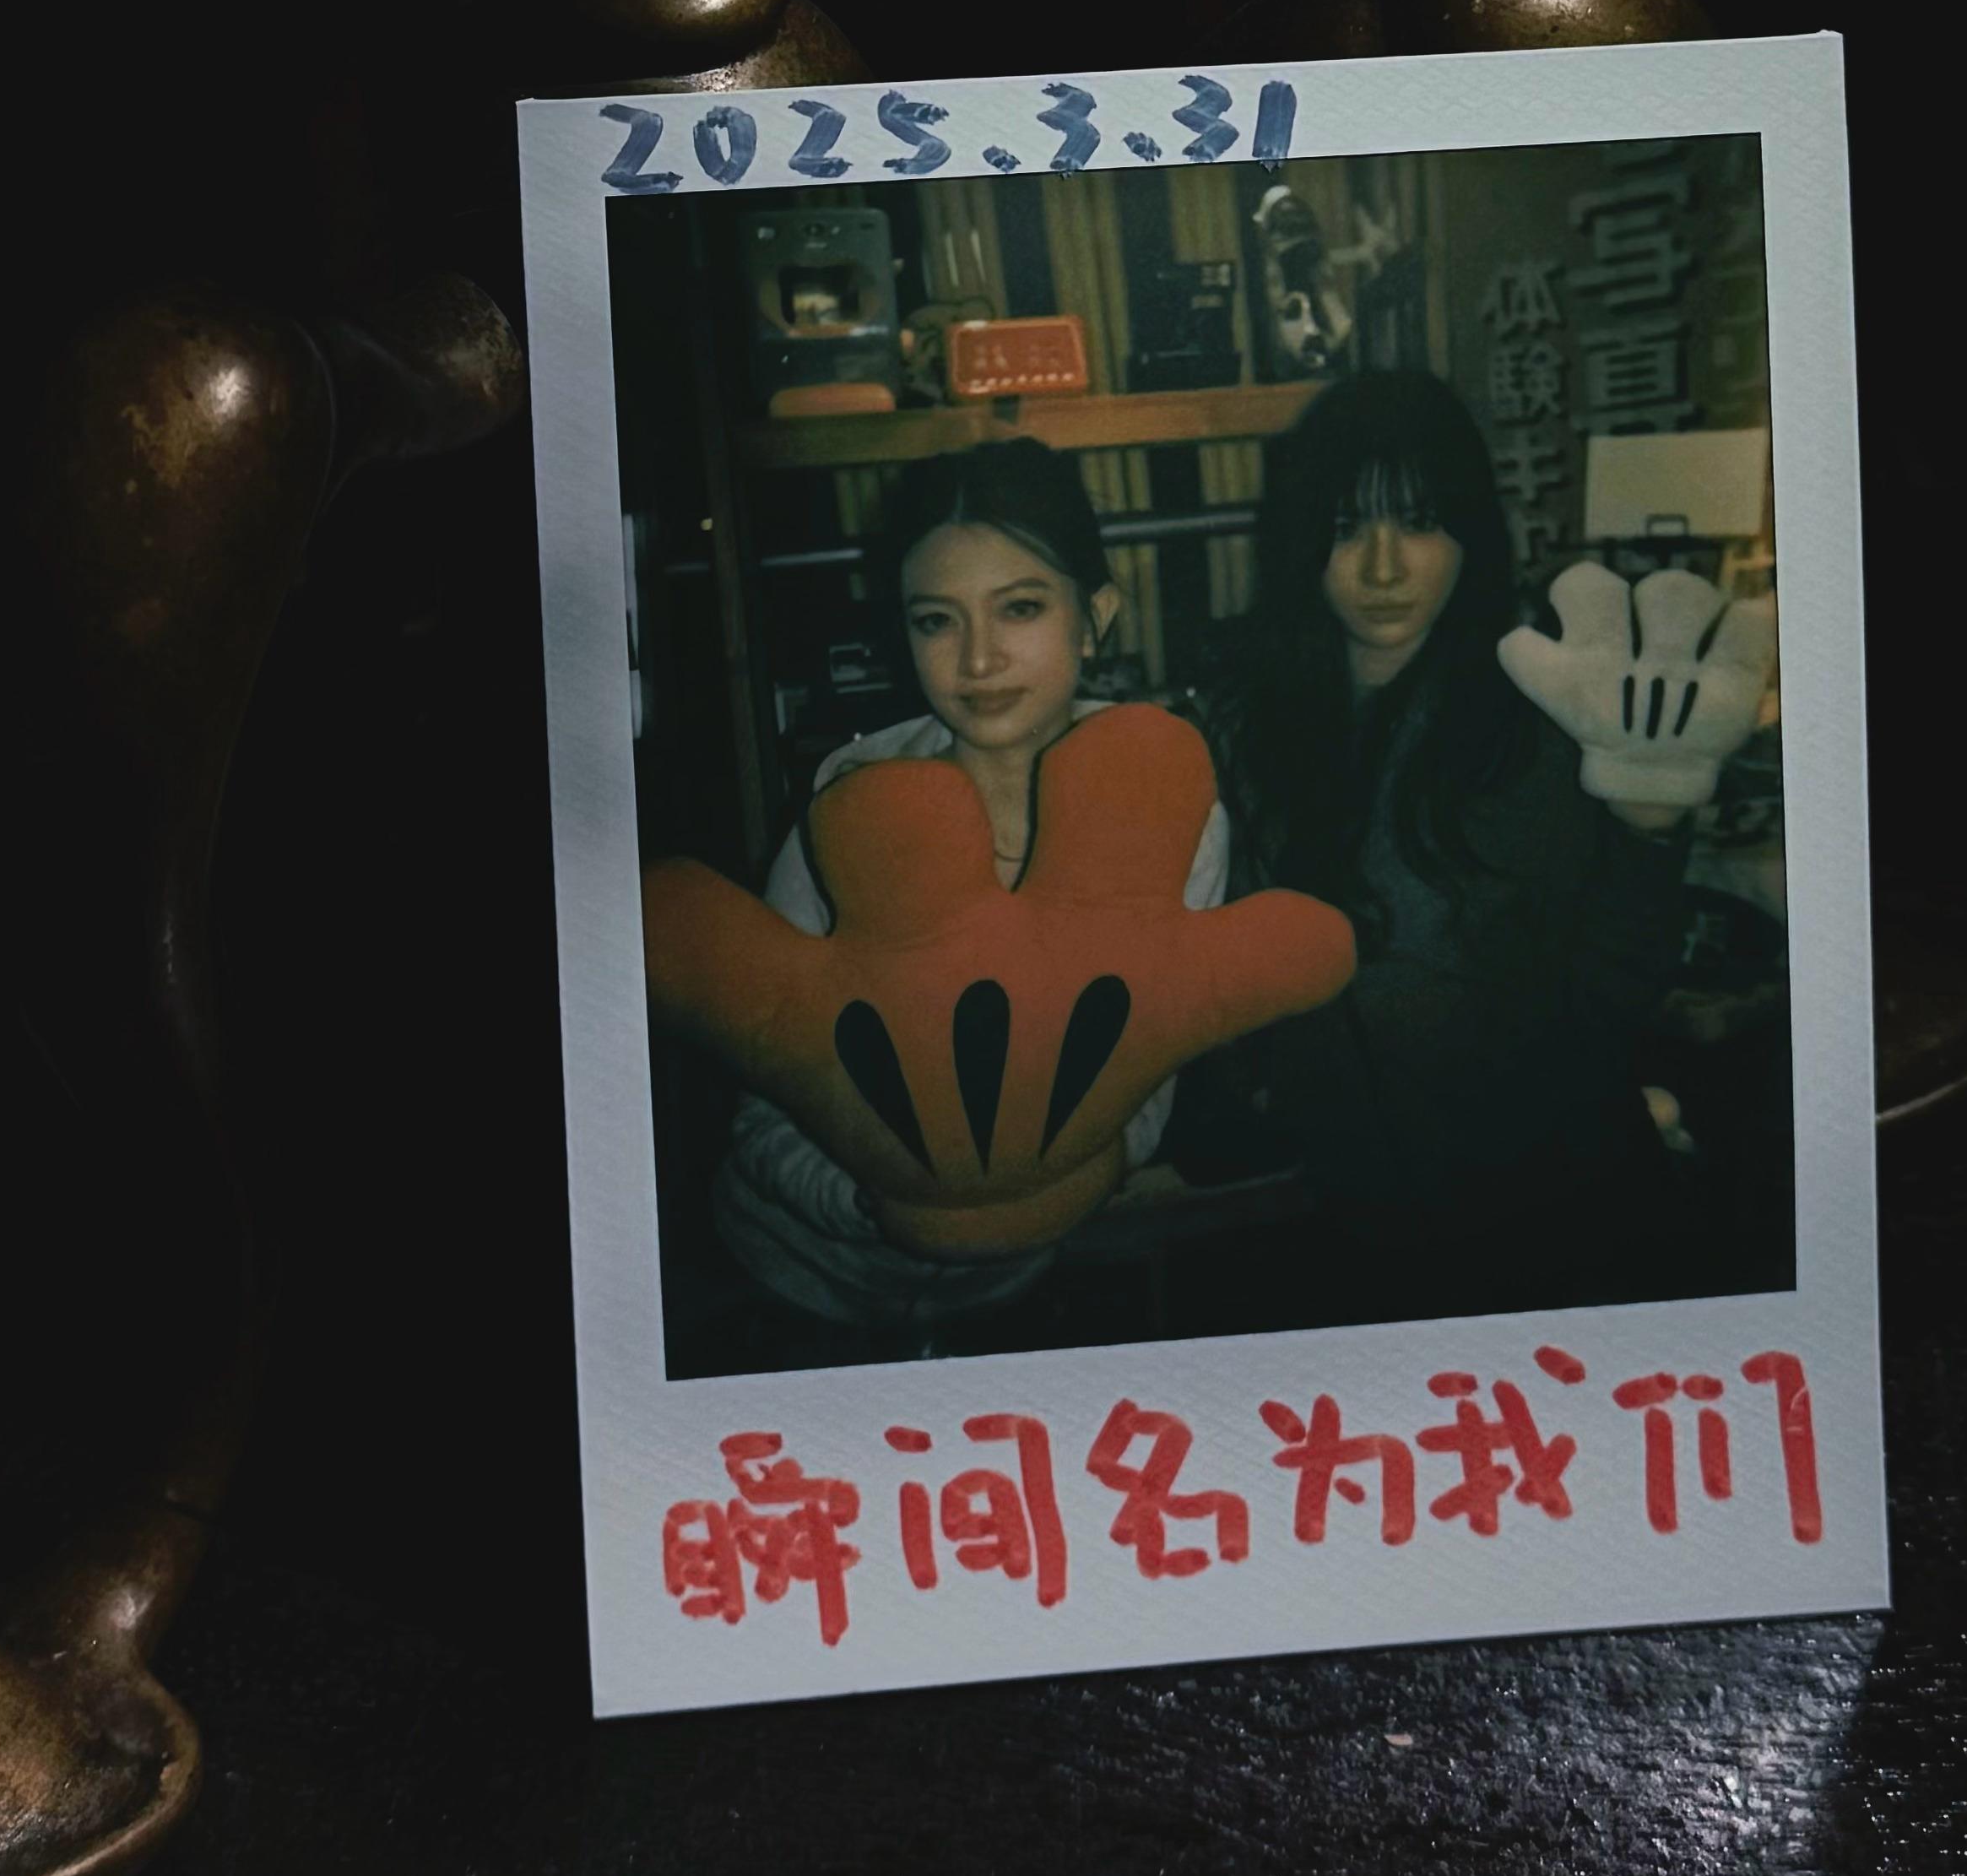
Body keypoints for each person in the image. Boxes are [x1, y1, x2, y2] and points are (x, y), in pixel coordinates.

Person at [1186, 368, 1762, 1317]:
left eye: (1419, 521)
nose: (1383, 567)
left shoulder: (1540, 719)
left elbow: (1615, 987)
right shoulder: (1246, 733)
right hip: (1340, 1229)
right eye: (1346, 525)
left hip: (1554, 1227)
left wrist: (1647, 833)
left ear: (1469, 531)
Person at [711, 441, 1230, 1344]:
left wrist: (1018, 1208)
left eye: (1020, 608)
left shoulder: (1170, 813)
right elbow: (761, 1087)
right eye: (936, 621)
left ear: (1094, 618)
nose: (979, 660)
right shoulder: (849, 803)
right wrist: (890, 1205)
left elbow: (1144, 1082)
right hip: (792, 1280)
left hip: (1018, 1289)